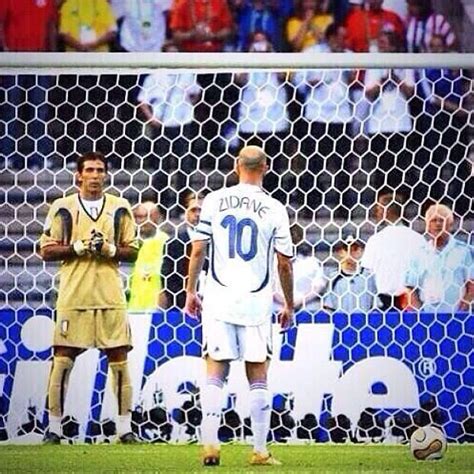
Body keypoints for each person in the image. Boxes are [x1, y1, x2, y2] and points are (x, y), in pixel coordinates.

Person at [185, 145, 294, 466]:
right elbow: (284, 264)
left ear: (236, 166)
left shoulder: (216, 200)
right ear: (267, 166)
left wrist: (190, 291)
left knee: (215, 371)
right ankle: (259, 450)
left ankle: (210, 446)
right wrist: (288, 303)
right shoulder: (274, 208)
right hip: (257, 302)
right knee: (258, 374)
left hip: (218, 298)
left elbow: (198, 249)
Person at [39, 151, 139, 444]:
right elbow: (46, 250)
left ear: (106, 175)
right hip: (74, 295)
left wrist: (109, 250)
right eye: (90, 170)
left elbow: (133, 250)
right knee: (62, 360)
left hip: (110, 295)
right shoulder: (63, 207)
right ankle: (54, 429)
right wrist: (77, 247)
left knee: (119, 359)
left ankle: (125, 429)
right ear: (78, 175)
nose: (95, 176)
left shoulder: (120, 207)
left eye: (100, 170)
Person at [361, 189, 425, 311]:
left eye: (379, 208)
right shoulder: (418, 239)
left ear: (386, 211)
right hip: (412, 302)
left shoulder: (376, 240)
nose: (376, 212)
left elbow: (367, 273)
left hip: (384, 303)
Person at [405, 204, 473, 313]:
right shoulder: (418, 254)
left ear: (450, 225)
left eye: (442, 220)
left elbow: (471, 285)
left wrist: (462, 311)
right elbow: (410, 288)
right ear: (427, 225)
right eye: (433, 220)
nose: (438, 224)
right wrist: (419, 315)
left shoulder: (463, 251)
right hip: (427, 316)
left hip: (456, 316)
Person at [162, 192, 205, 309]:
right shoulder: (173, 243)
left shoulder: (216, 242)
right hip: (180, 307)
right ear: (185, 213)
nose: (197, 214)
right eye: (193, 210)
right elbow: (167, 277)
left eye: (201, 210)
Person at [273, 224, 325, 313]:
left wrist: (299, 301)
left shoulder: (312, 262)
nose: (293, 239)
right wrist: (286, 302)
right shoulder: (272, 261)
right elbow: (269, 285)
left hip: (306, 308)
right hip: (278, 307)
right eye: (290, 235)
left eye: (296, 236)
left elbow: (318, 286)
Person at [128, 201, 169, 311]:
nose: (144, 221)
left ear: (158, 218)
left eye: (149, 216)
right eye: (140, 217)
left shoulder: (165, 242)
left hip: (155, 308)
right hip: (133, 307)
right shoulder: (130, 243)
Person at [324, 232, 378, 313]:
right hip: (341, 323)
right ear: (340, 252)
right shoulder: (333, 277)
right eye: (347, 249)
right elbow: (329, 308)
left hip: (365, 323)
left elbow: (377, 307)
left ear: (361, 251)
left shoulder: (370, 276)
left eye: (355, 249)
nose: (351, 253)